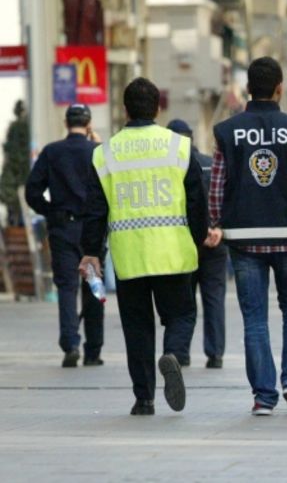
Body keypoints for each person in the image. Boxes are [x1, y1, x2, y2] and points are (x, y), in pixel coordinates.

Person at [79, 78, 208, 415]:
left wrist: (91, 251)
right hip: (173, 253)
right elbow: (197, 201)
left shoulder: (105, 153)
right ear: (158, 108)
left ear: (124, 110)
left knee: (137, 328)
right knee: (181, 314)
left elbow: (95, 210)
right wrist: (199, 239)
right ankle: (175, 354)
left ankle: (144, 399)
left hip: (129, 256)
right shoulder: (178, 147)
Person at [206, 57, 287, 416]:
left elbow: (216, 188)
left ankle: (263, 396)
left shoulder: (227, 132)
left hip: (244, 239)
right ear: (280, 88)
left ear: (247, 89)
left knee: (254, 317)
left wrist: (216, 222)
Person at [24, 104, 105, 367]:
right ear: (89, 123)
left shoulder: (52, 152)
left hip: (63, 230)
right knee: (93, 288)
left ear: (65, 122)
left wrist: (51, 212)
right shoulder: (97, 152)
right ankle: (93, 350)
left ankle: (70, 344)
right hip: (91, 231)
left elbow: (32, 192)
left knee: (67, 288)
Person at [167, 119, 227, 369]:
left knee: (183, 300)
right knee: (214, 299)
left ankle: (180, 353)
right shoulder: (211, 165)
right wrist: (219, 229)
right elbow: (226, 197)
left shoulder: (169, 168)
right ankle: (215, 354)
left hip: (185, 242)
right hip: (215, 243)